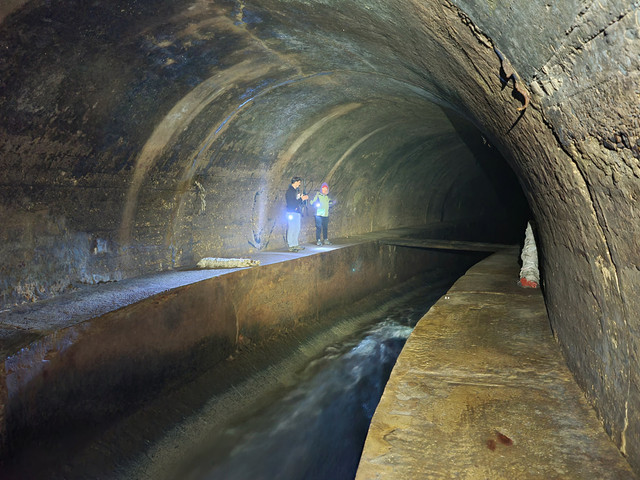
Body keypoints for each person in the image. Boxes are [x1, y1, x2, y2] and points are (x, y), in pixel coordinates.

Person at [285, 176, 308, 252]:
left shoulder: (296, 191)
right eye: (299, 182)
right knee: (292, 228)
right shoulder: (290, 191)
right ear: (295, 182)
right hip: (291, 212)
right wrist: (301, 199)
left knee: (297, 228)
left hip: (297, 212)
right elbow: (292, 203)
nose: (299, 184)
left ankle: (295, 244)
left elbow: (297, 202)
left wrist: (301, 198)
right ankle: (291, 245)